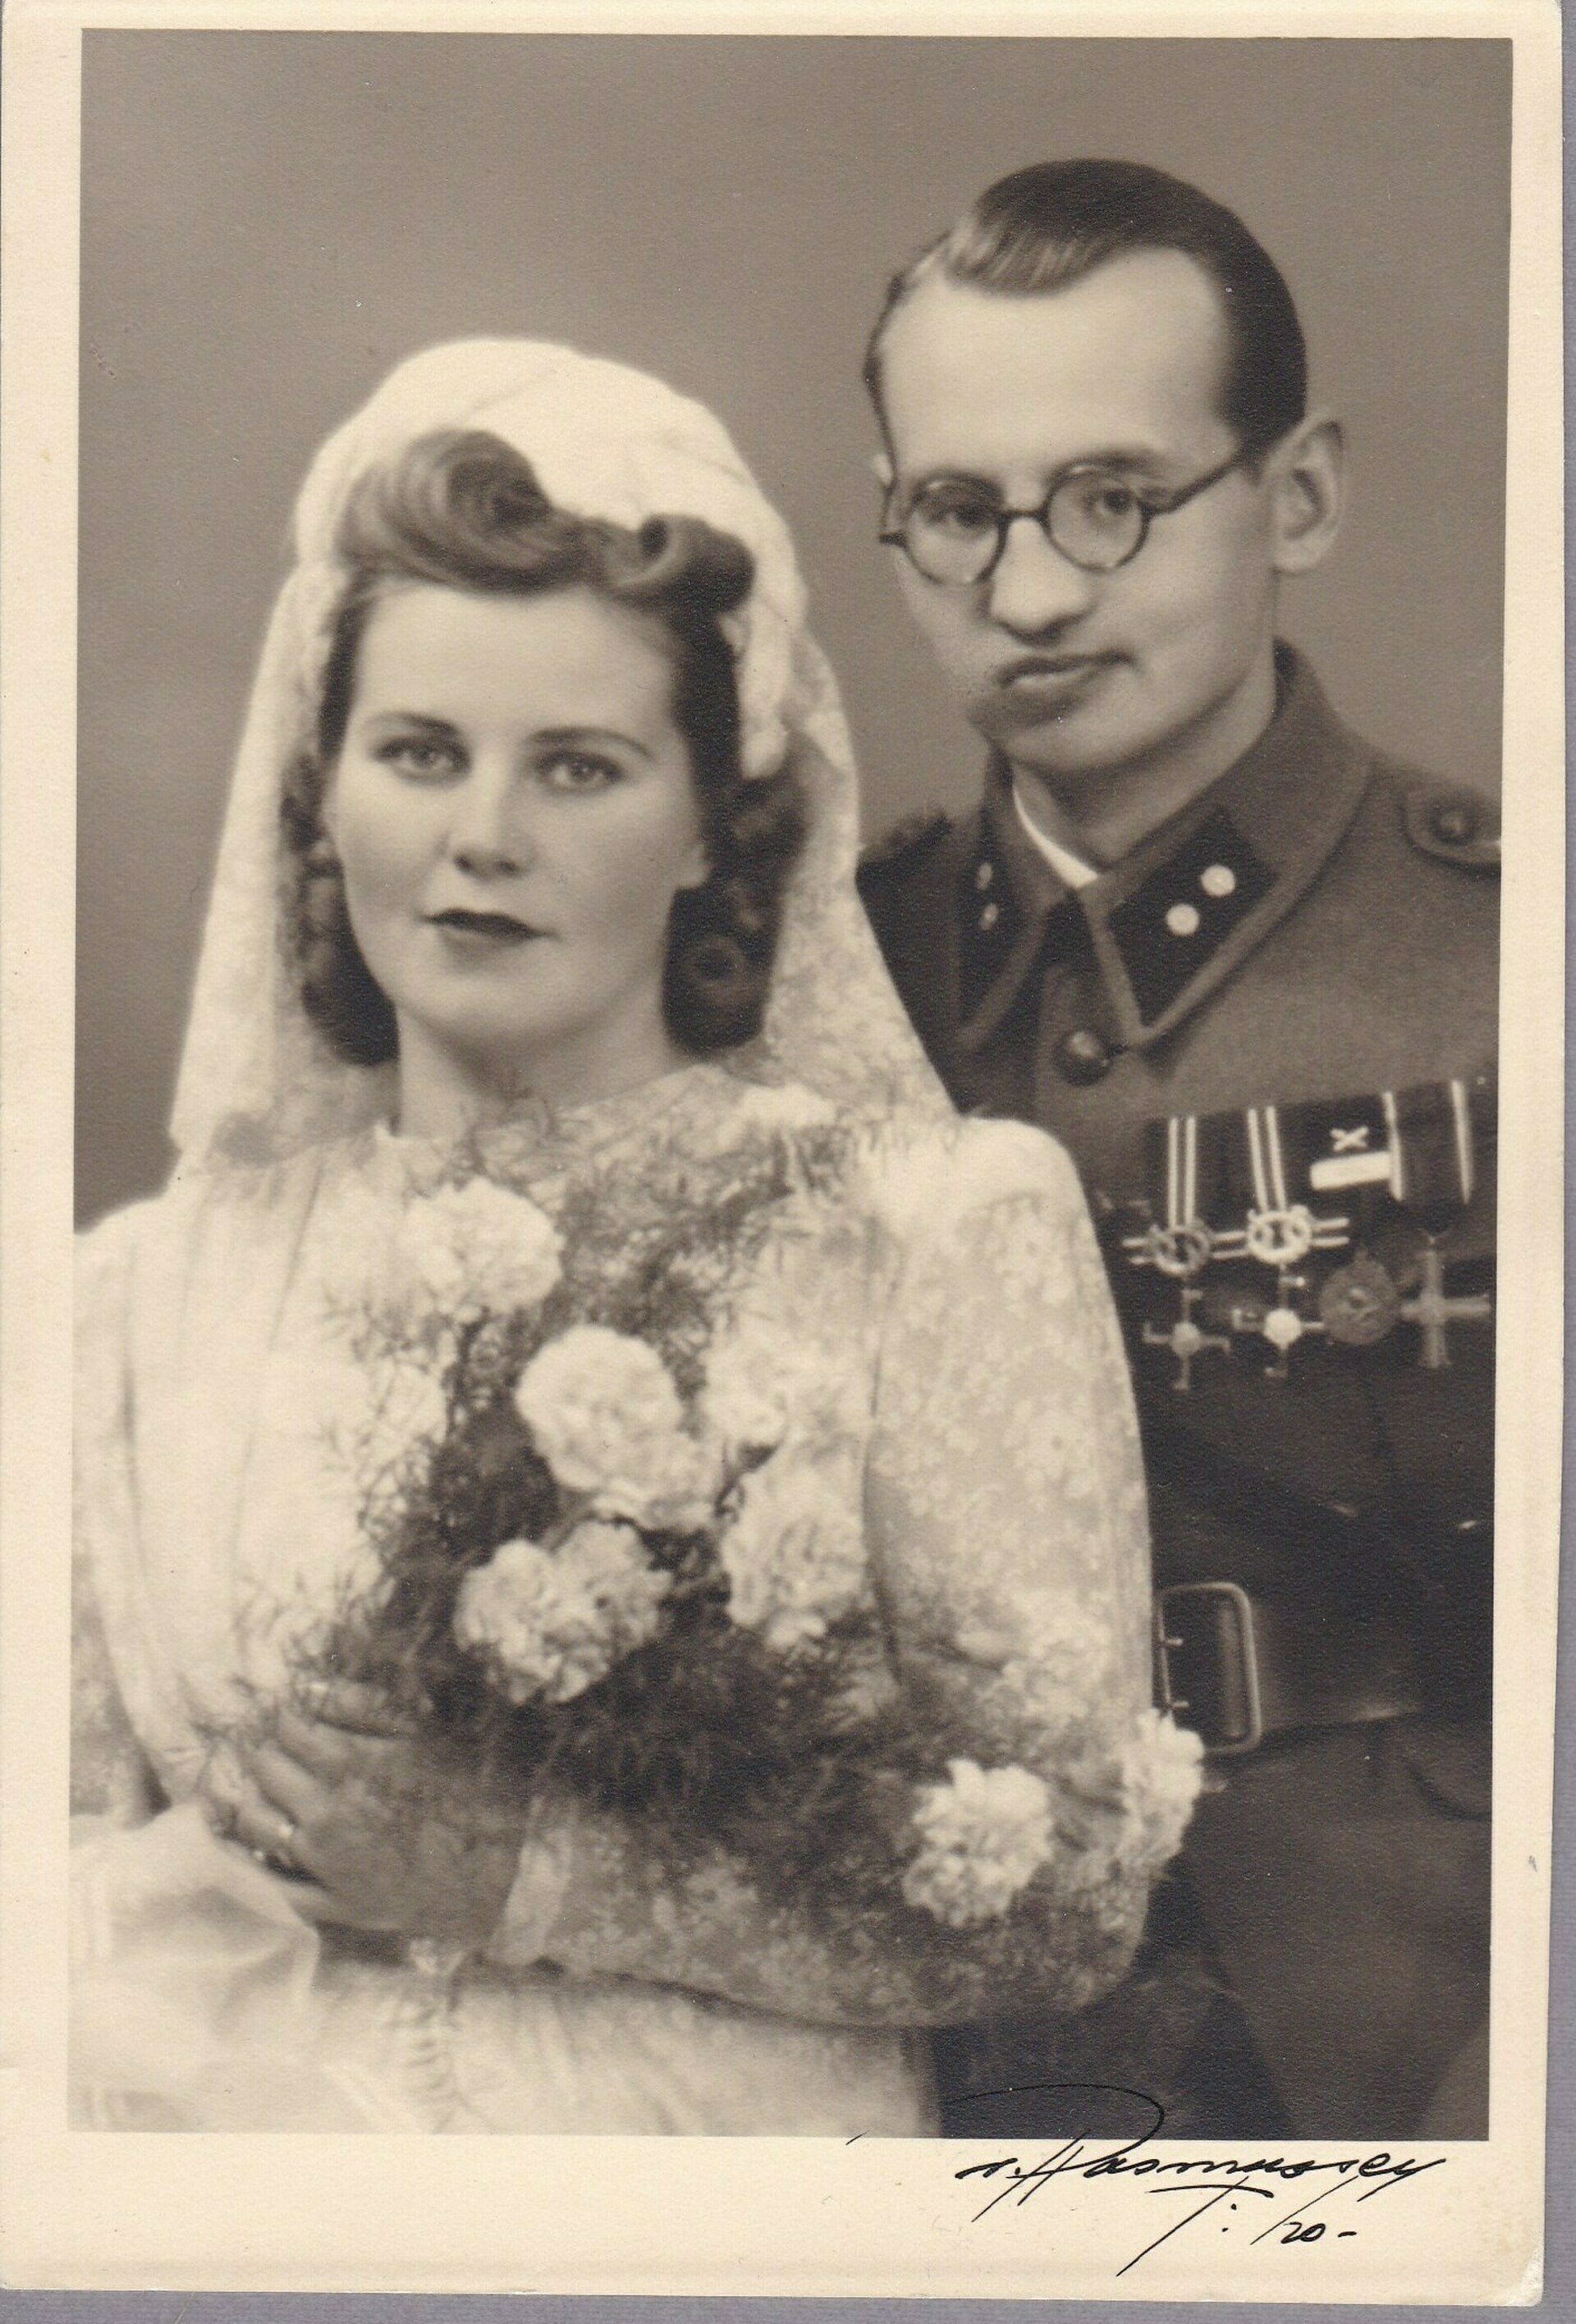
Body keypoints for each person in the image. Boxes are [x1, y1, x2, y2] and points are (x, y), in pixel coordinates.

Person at [71, 339, 1202, 2135]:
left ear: (711, 828)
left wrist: (532, 1873)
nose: (482, 839)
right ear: (324, 791)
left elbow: (1069, 1894)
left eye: (580, 769)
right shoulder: (139, 1298)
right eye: (420, 754)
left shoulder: (925, 1227)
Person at [857, 161, 1496, 2140]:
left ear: (1296, 497)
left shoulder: (1503, 957)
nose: (1032, 591)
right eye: (958, 514)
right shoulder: (826, 979)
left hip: (1406, 2042)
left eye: (1114, 498)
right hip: (908, 2050)